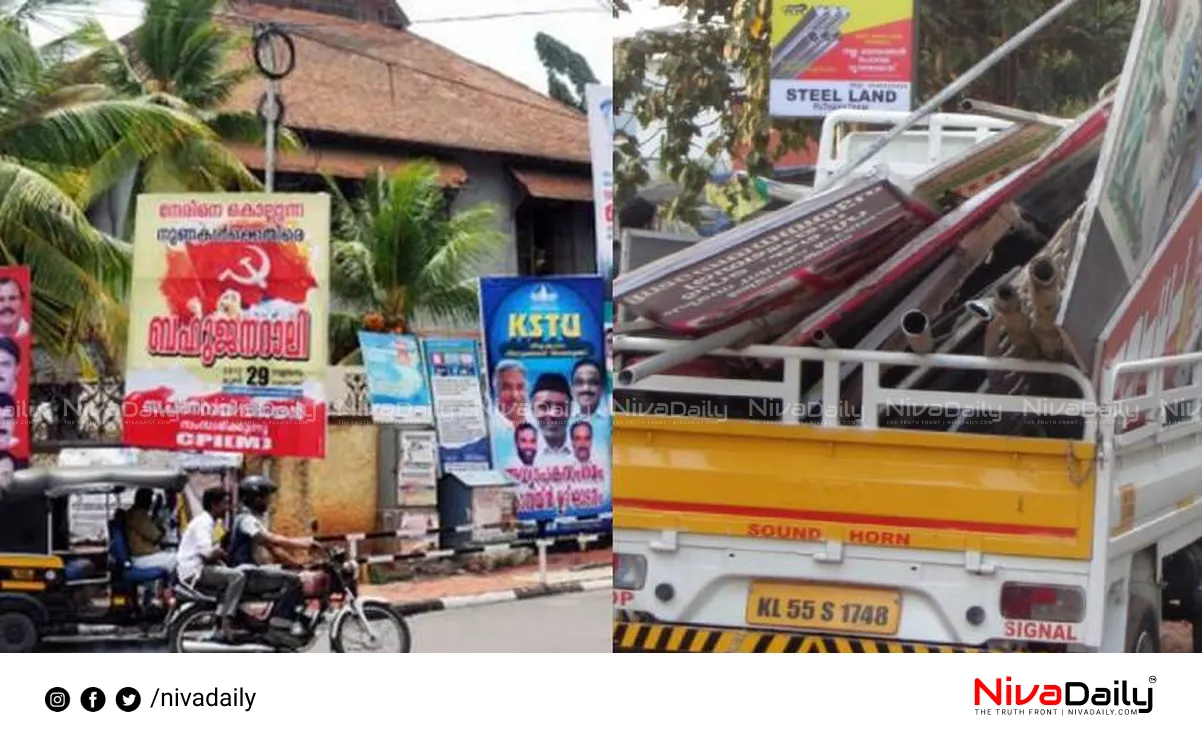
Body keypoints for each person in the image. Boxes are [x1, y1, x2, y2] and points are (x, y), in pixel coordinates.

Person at [229, 475, 319, 640]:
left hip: (253, 569)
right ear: (255, 498)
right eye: (265, 497)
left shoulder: (253, 520)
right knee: (294, 581)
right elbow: (272, 539)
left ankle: (284, 617)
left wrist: (297, 565)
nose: (268, 502)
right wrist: (305, 543)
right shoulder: (246, 520)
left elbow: (274, 549)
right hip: (246, 572)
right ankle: (279, 626)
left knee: (293, 575)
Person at [175, 487, 244, 637]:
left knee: (232, 575)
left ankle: (219, 618)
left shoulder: (211, 522)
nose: (227, 508)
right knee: (237, 576)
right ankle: (227, 617)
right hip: (194, 570)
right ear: (214, 504)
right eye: (224, 504)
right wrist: (222, 554)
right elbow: (207, 554)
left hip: (198, 567)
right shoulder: (203, 522)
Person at [126, 488, 177, 572]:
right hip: (142, 558)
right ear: (143, 499)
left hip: (143, 555)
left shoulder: (135, 513)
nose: (150, 502)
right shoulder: (138, 515)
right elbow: (156, 536)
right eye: (149, 499)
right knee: (176, 559)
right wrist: (163, 526)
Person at [531, 373, 573, 463]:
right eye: (544, 407)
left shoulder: (593, 453)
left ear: (570, 410)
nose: (553, 414)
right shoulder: (518, 458)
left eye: (560, 407)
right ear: (532, 410)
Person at [491, 360, 530, 432]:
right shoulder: (491, 427)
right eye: (506, 388)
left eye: (520, 387)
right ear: (496, 390)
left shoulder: (537, 422)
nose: (514, 395)